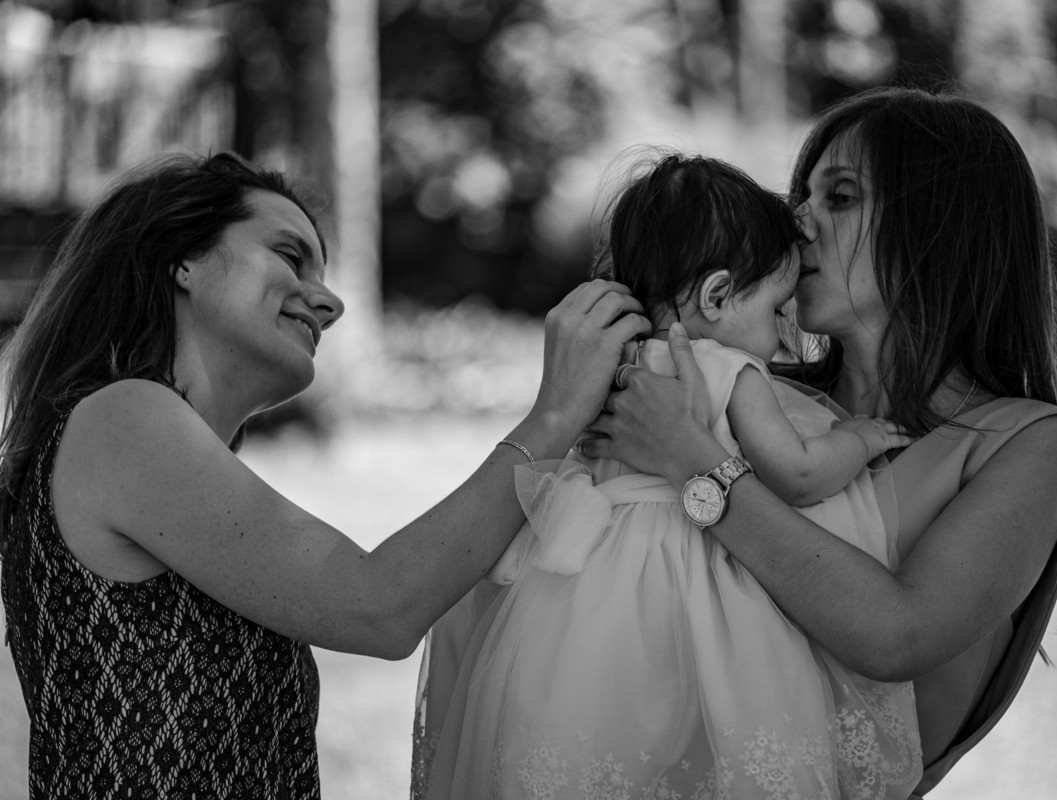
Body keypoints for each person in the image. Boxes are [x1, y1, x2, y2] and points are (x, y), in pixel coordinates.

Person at [0, 151, 648, 799]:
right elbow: (380, 607)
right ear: (182, 259)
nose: (330, 301)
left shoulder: (133, 435)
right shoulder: (125, 418)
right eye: (290, 255)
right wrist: (555, 412)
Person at [584, 87, 1057, 796]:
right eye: (802, 196)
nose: (795, 225)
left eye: (840, 196)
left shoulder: (1031, 446)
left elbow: (898, 634)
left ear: (940, 226)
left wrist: (695, 466)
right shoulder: (745, 398)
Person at [412, 153, 923, 800]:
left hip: (579, 592)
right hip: (688, 579)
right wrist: (859, 436)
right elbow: (797, 475)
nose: (778, 337)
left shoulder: (608, 366)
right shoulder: (724, 369)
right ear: (716, 296)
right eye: (774, 312)